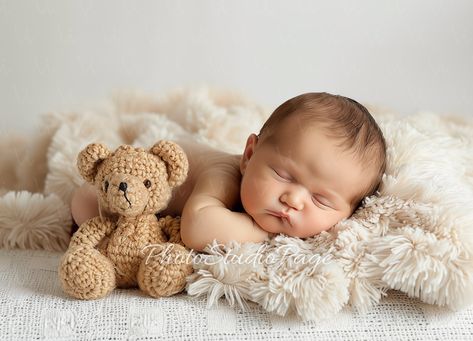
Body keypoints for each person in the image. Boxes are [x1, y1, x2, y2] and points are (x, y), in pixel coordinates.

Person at [71, 92, 387, 252]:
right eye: (283, 175)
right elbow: (197, 229)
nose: (293, 199)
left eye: (321, 199)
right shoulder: (224, 176)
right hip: (136, 182)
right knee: (85, 202)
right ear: (249, 156)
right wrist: (265, 233)